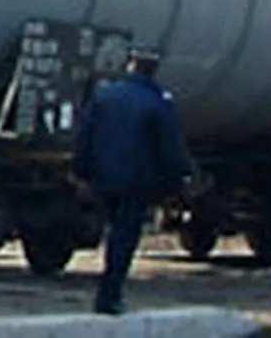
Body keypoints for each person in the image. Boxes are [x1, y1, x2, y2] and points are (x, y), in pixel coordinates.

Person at [72, 45, 191, 316]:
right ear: (153, 70)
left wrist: (80, 172)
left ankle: (108, 292)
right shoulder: (158, 102)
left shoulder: (105, 96)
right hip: (137, 182)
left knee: (114, 232)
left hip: (104, 178)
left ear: (130, 65)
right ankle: (109, 295)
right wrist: (177, 183)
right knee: (123, 238)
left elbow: (84, 136)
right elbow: (170, 147)